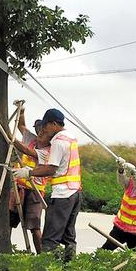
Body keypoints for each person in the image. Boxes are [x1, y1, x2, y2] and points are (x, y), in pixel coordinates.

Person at [14, 109, 81, 261]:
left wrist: (29, 173)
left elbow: (51, 168)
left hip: (63, 194)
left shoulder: (57, 141)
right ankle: (70, 268)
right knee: (68, 236)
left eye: (46, 126)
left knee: (50, 238)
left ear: (54, 124)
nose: (43, 129)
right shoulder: (71, 137)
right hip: (75, 192)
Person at [10, 127, 51, 254]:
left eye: (43, 131)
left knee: (35, 226)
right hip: (19, 188)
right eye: (38, 129)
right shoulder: (32, 140)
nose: (40, 132)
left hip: (35, 192)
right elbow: (21, 124)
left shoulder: (48, 151)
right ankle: (5, 252)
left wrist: (10, 136)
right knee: (9, 221)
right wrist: (20, 111)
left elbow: (25, 150)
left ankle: (41, 256)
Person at [102, 159, 136, 250]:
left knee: (135, 258)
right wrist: (121, 169)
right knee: (106, 249)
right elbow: (122, 180)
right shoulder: (131, 183)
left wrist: (134, 173)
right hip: (120, 227)